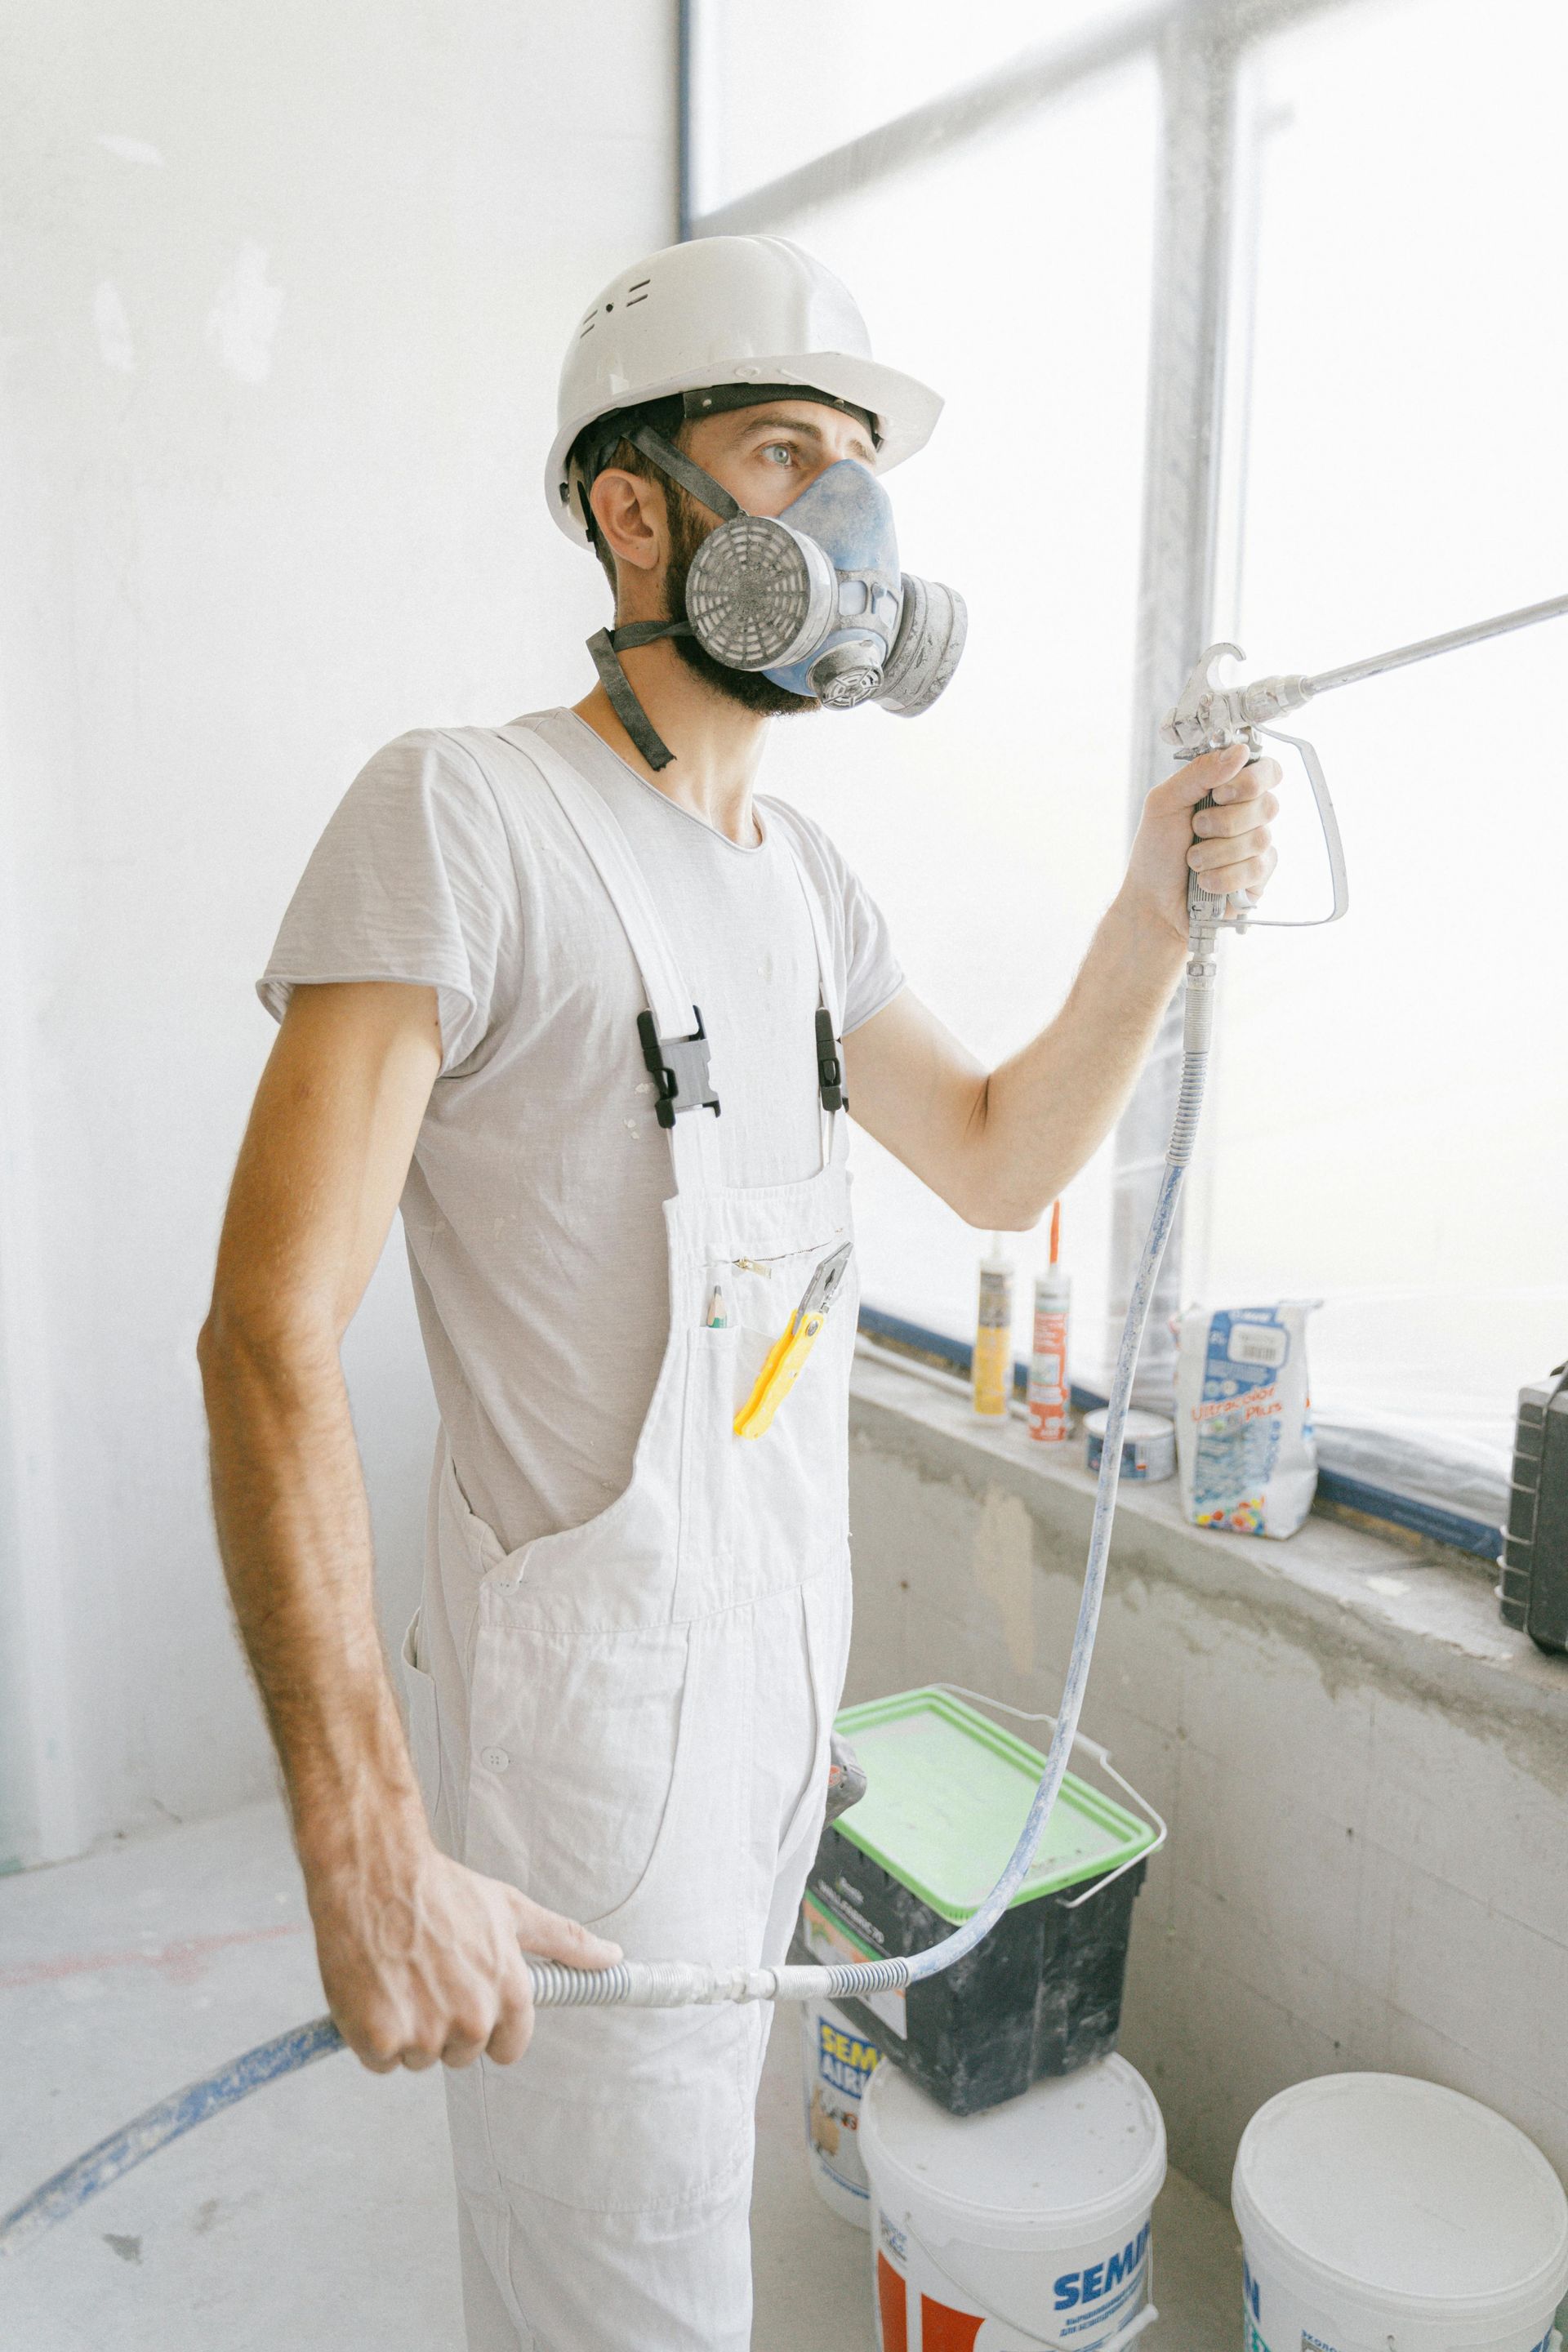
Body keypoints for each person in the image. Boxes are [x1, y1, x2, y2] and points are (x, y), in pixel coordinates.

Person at [198, 234, 1276, 2350]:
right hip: (584, 1773)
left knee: (693, 2219)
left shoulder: (809, 887)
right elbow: (264, 1332)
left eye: (859, 467)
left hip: (780, 1716)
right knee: (631, 2301)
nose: (850, 522)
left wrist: (1151, 909)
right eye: (789, 453)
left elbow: (992, 1152)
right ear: (633, 506)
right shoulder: (469, 818)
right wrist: (362, 1842)